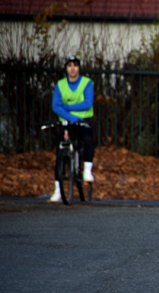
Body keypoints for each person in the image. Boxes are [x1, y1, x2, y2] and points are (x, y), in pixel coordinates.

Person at [49, 56, 95, 202]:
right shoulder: (60, 85)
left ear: (79, 68)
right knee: (60, 151)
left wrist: (68, 107)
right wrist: (70, 117)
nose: (73, 68)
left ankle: (87, 171)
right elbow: (56, 106)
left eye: (75, 65)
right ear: (66, 68)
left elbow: (87, 103)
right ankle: (58, 190)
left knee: (88, 139)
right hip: (67, 123)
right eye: (70, 66)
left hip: (83, 121)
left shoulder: (87, 83)